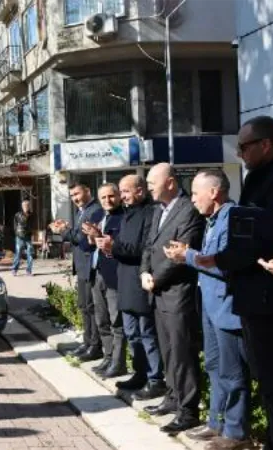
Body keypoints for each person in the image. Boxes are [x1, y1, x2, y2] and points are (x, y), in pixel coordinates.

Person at [196, 116, 273, 449]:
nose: (239, 154)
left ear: (265, 144)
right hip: (255, 296)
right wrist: (219, 258)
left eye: (244, 147)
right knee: (267, 381)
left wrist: (223, 259)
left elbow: (265, 236)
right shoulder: (260, 178)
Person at [164, 169, 250, 449]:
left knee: (232, 372)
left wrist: (187, 256)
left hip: (227, 309)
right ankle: (216, 423)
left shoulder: (233, 218)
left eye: (196, 192)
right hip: (212, 309)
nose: (193, 199)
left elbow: (224, 263)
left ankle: (236, 433)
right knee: (214, 366)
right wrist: (189, 253)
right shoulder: (212, 220)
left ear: (214, 192)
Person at [140, 163, 205, 434]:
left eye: (152, 182)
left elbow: (182, 253)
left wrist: (157, 278)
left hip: (178, 294)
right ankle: (172, 397)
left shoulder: (188, 210)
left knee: (182, 352)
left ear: (169, 183)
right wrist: (144, 271)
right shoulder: (158, 210)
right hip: (157, 293)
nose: (148, 188)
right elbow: (149, 245)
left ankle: (188, 410)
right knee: (168, 350)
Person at [102, 175, 165, 397]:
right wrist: (109, 246)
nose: (123, 196)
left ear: (140, 190)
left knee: (147, 333)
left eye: (126, 191)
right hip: (125, 280)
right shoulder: (128, 214)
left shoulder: (151, 213)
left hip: (140, 281)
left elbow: (144, 249)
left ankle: (155, 378)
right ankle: (140, 373)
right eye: (121, 191)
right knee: (131, 332)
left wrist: (114, 245)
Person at [49, 182, 104, 362]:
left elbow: (83, 240)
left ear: (88, 191)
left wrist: (63, 231)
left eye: (77, 194)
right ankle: (88, 342)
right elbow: (77, 235)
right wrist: (66, 228)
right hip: (81, 266)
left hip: (90, 266)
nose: (75, 199)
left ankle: (95, 346)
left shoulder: (95, 210)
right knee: (83, 306)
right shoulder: (81, 211)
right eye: (72, 196)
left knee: (90, 307)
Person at [82, 184, 126, 379]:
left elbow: (122, 246)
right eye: (103, 197)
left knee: (117, 321)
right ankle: (108, 357)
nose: (107, 200)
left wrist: (101, 237)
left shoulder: (123, 217)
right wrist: (92, 237)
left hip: (114, 276)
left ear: (119, 196)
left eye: (111, 196)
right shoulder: (100, 217)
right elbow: (90, 245)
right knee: (102, 319)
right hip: (97, 273)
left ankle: (118, 362)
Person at [12, 199, 34, 276]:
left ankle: (29, 271)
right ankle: (14, 269)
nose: (26, 207)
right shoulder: (17, 215)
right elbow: (15, 226)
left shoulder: (31, 215)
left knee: (30, 254)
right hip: (19, 237)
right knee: (18, 253)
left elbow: (32, 225)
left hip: (28, 236)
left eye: (27, 205)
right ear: (22, 206)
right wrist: (17, 233)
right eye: (24, 205)